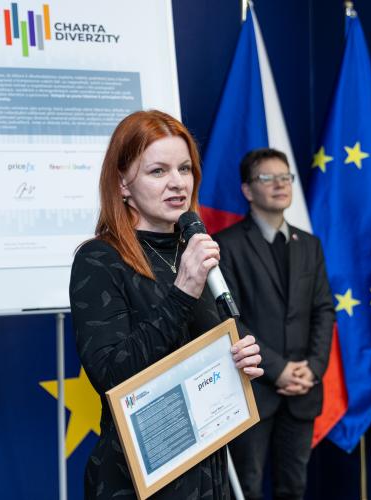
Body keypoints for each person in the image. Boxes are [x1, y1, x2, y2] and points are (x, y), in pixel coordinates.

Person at [69, 110, 263, 500]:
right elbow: (111, 375)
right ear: (122, 184)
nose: (178, 183)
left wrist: (242, 355)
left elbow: (217, 339)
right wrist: (183, 291)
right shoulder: (100, 259)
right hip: (137, 478)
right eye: (158, 171)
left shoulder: (195, 249)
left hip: (209, 470)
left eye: (184, 169)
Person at [212, 148, 335, 500]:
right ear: (247, 190)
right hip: (253, 388)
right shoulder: (226, 246)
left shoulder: (309, 244)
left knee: (293, 487)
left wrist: (313, 368)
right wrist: (278, 369)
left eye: (285, 177)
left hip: (302, 388)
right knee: (247, 487)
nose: (280, 184)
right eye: (268, 178)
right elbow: (229, 321)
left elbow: (324, 310)